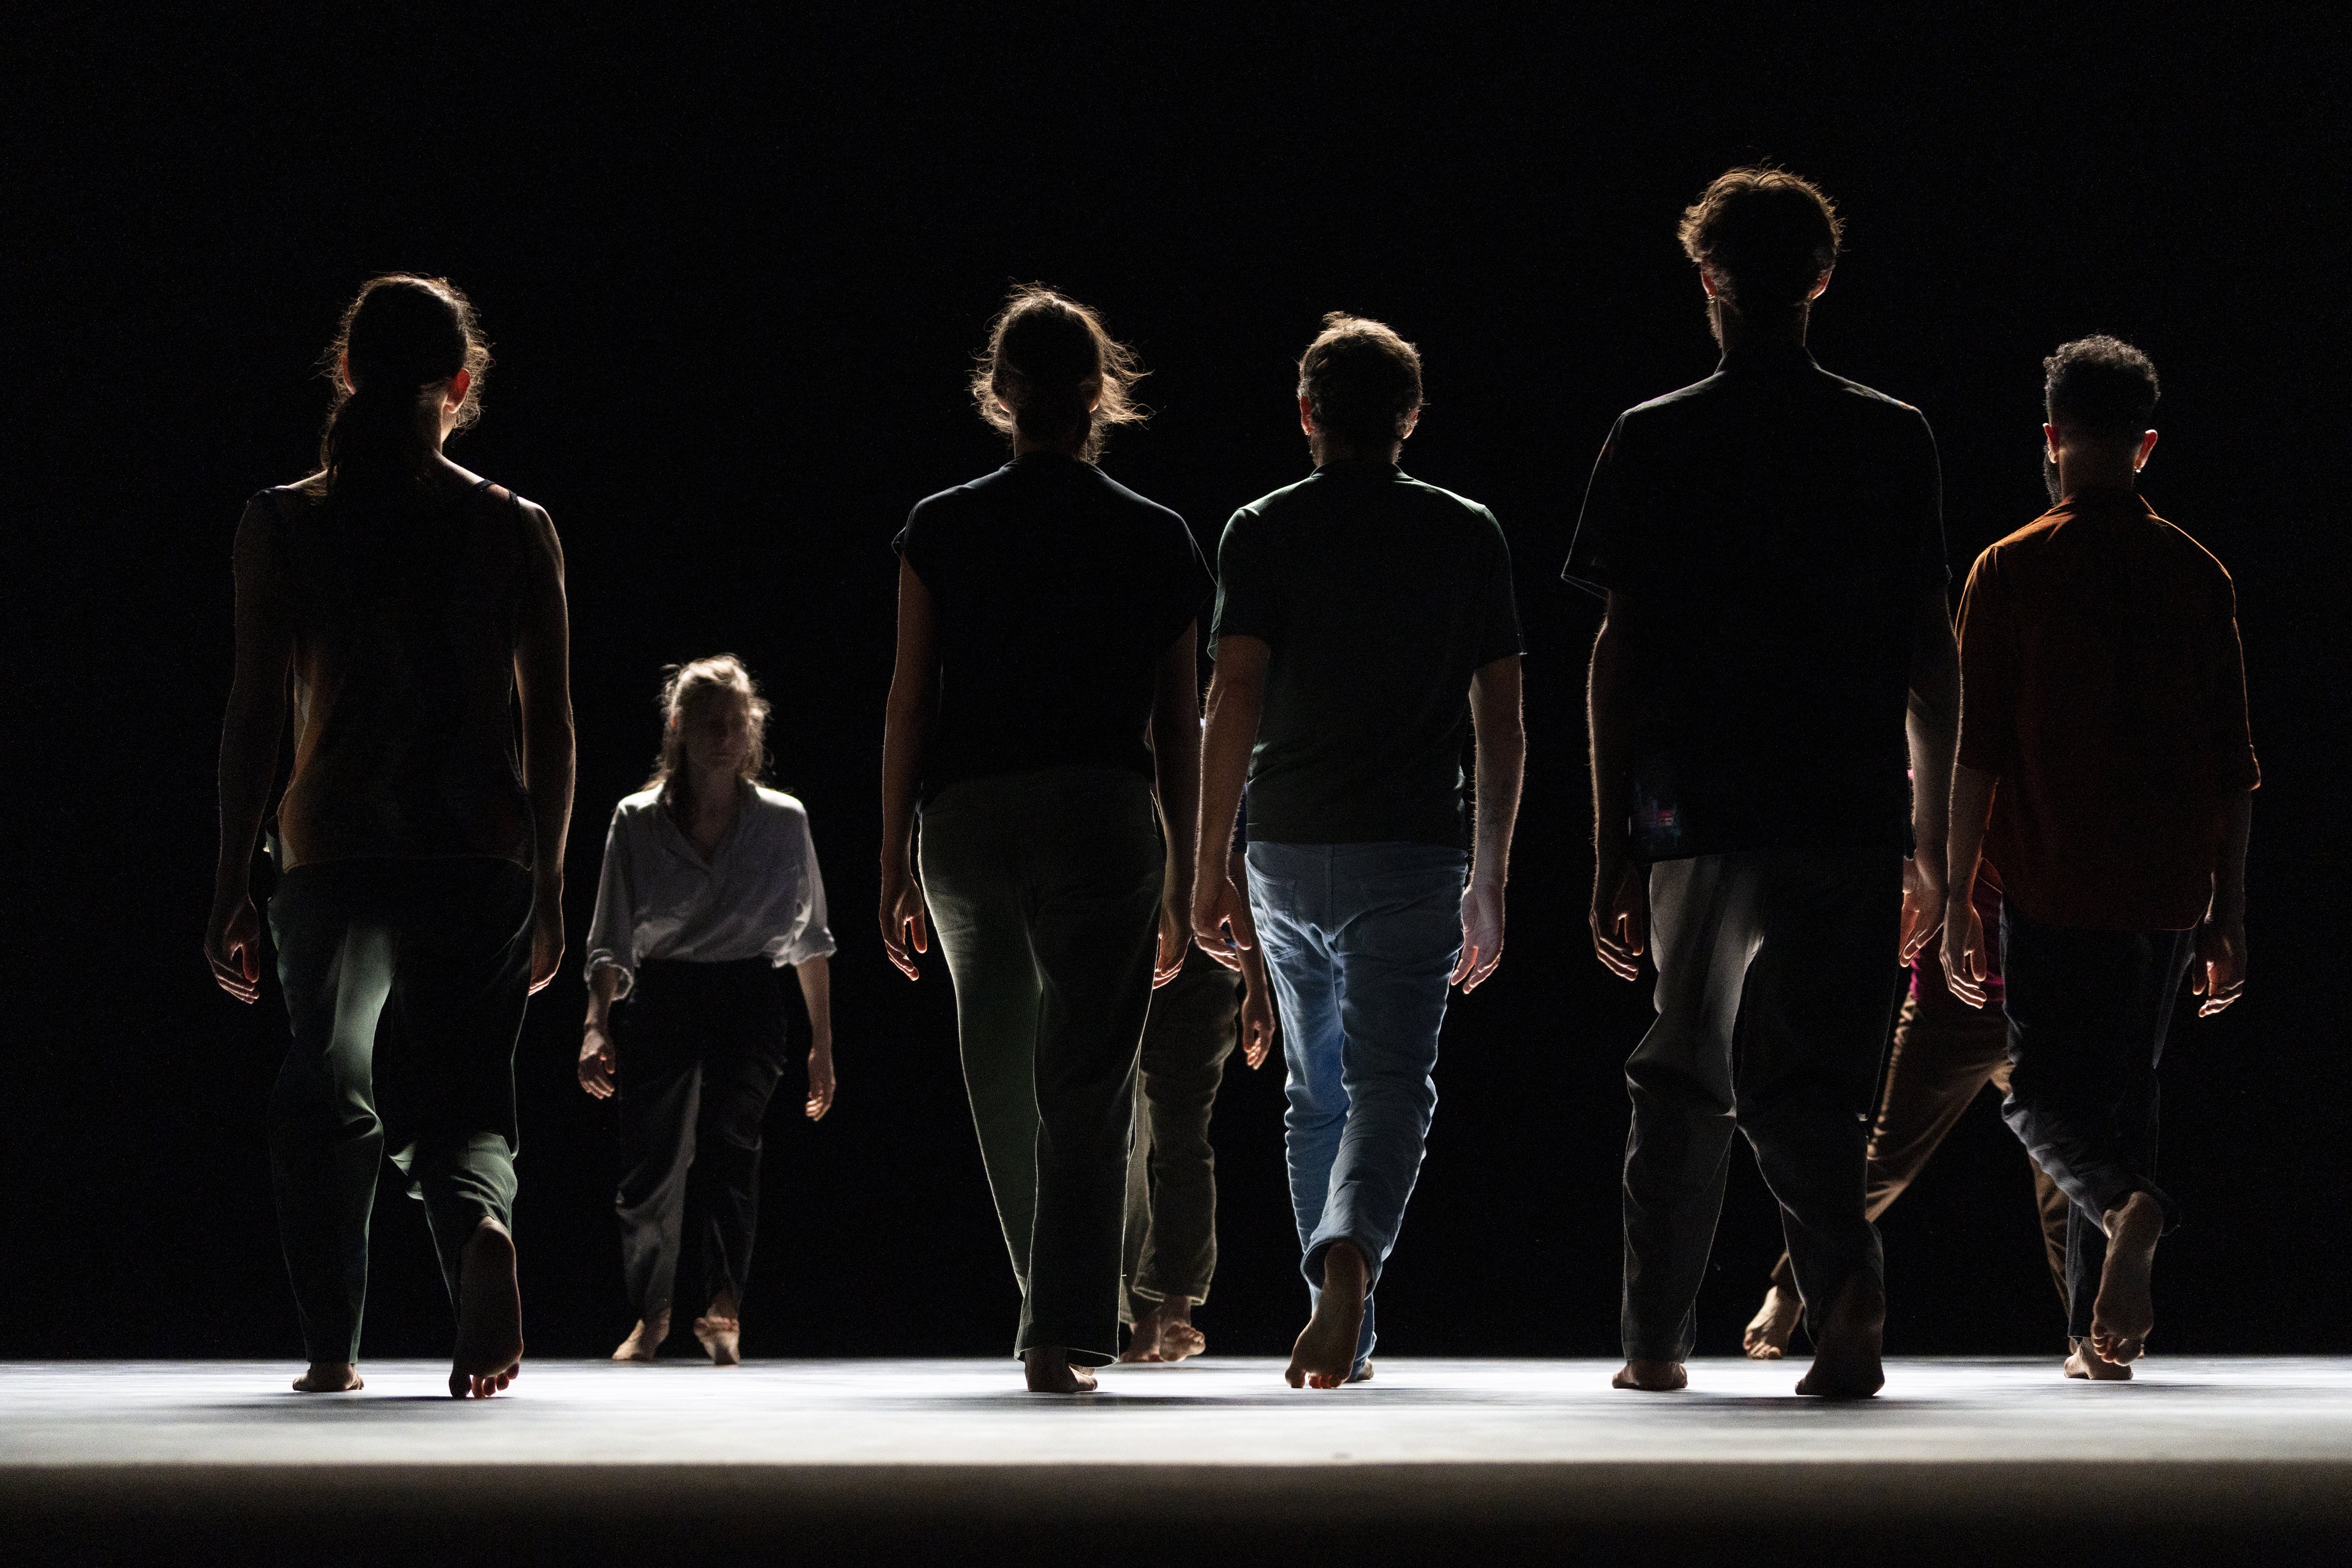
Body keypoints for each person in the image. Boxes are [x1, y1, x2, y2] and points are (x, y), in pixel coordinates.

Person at [1569, 168, 1956, 1399]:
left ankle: (1650, 1344)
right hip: (1842, 799)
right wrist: (1933, 839)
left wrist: (1610, 844)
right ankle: (1840, 1276)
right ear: (1820, 282)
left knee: (1681, 1065)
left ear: (1707, 282)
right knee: (1811, 1076)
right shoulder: (1890, 435)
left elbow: (1615, 654)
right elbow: (1926, 655)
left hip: (1694, 798)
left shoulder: (1653, 435)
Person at [202, 274, 573, 1400]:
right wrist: (552, 885)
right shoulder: (517, 527)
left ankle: (332, 1349)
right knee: (460, 1098)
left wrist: (230, 879)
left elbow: (255, 714)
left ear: (347, 374)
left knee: (328, 1094)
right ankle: (473, 1233)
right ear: (460, 386)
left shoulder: (280, 524)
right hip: (476, 849)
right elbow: (550, 723)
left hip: (333, 846)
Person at [879, 286, 1210, 1393]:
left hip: (969, 820)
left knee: (1003, 1081)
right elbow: (1175, 726)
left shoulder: (941, 524)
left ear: (1000, 395)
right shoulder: (1155, 535)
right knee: (1085, 1084)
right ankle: (1058, 1326)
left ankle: (1050, 1310)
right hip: (1098, 815)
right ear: (1097, 396)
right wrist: (1181, 875)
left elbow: (909, 706)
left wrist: (890, 861)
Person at [1193, 313, 1525, 1391]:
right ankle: (1349, 1271)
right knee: (1391, 1083)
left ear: (1306, 417)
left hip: (1287, 846)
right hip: (1411, 849)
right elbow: (1503, 720)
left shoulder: (1259, 528)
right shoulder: (1466, 531)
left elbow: (1231, 697)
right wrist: (1492, 878)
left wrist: (1207, 861)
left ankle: (1341, 1314)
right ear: (1410, 420)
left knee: (1312, 1091)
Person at [1944, 336, 2255, 1381]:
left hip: (2048, 878)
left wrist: (1952, 894)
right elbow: (2233, 770)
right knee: (2123, 1097)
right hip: (2167, 887)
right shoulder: (2196, 572)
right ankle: (2098, 1336)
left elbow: (1974, 753)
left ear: (2050, 441)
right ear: (2146, 445)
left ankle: (2135, 1212)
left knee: (2037, 1094)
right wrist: (2230, 913)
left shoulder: (2010, 566)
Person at [578, 656, 838, 1366]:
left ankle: (724, 1308)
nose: (725, 737)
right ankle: (652, 1312)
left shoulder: (784, 822)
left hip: (748, 992)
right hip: (665, 992)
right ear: (678, 728)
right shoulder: (636, 822)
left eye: (736, 724)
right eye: (710, 724)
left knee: (733, 1148)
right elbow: (611, 936)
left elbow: (810, 937)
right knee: (650, 1169)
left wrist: (823, 1043)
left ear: (753, 731)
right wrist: (596, 1022)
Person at [1742, 880, 2071, 1359]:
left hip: (2037, 1011)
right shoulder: (1942, 809)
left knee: (2066, 1175)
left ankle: (2089, 1327)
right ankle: (1791, 1289)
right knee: (1883, 1166)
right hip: (1952, 1012)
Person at [1119, 822, 1278, 1364]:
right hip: (1126, 957)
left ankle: (1176, 1308)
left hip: (1202, 970)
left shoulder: (1213, 752)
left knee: (1180, 1136)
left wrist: (1256, 985)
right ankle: (1144, 1317)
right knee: (1126, 1145)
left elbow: (1233, 867)